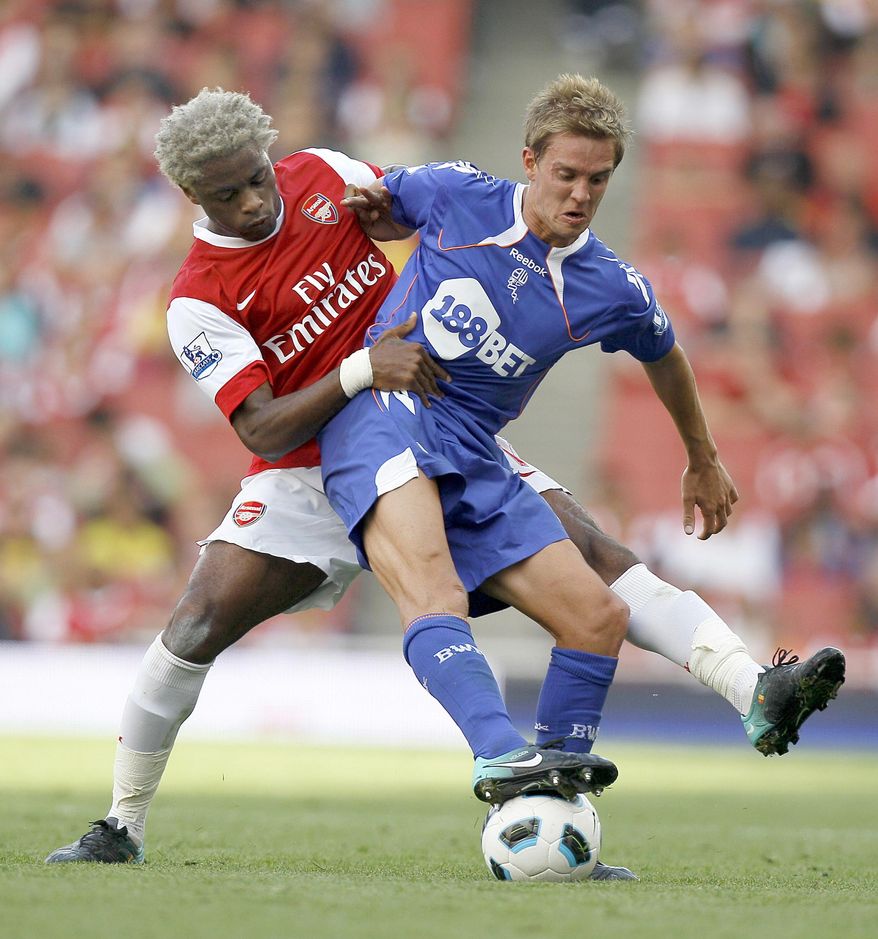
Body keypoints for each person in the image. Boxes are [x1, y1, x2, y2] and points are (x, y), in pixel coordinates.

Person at [45, 85, 843, 878]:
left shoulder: (318, 174)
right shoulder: (197, 299)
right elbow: (259, 427)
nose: (258, 201)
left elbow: (393, 206)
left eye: (259, 176)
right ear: (193, 196)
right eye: (231, 193)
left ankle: (738, 692)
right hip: (312, 458)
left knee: (598, 575)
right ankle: (121, 820)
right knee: (195, 626)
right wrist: (363, 366)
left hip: (437, 418)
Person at [320, 70, 846, 794]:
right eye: (566, 174)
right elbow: (372, 203)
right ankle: (502, 754)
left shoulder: (611, 285)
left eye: (598, 181)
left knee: (598, 614)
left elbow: (665, 354)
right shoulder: (452, 191)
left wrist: (703, 456)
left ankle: (557, 803)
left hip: (475, 446)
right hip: (387, 413)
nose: (580, 195)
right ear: (530, 161)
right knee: (434, 592)